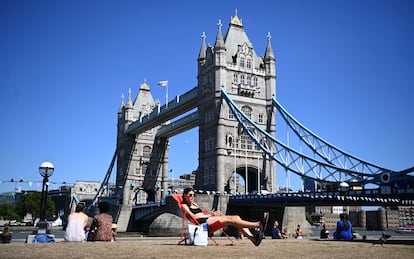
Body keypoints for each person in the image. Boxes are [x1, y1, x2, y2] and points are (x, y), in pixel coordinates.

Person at [181, 187, 268, 246]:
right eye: (190, 195)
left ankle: (254, 239)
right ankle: (258, 224)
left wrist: (213, 214)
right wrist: (211, 215)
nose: (192, 197)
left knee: (236, 218)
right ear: (185, 196)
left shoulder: (195, 204)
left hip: (208, 219)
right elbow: (194, 217)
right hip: (203, 224)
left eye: (193, 195)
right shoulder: (184, 205)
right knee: (231, 219)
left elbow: (202, 214)